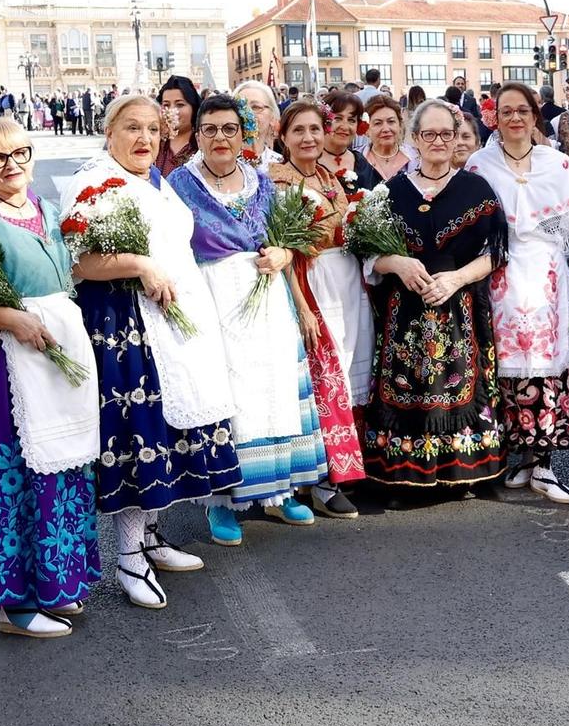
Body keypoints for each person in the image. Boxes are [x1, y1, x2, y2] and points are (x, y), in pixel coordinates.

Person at [61, 96, 236, 607]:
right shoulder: (93, 180)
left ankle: (152, 537)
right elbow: (81, 261)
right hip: (124, 321)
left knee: (172, 427)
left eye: (153, 131)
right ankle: (128, 555)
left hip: (170, 318)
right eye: (131, 128)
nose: (143, 139)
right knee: (140, 436)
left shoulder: (155, 179)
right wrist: (139, 265)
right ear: (108, 130)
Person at [0, 118, 103, 636]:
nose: (11, 166)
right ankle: (15, 603)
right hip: (1, 364)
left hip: (51, 358)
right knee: (12, 476)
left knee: (60, 465)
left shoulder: (47, 210)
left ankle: (56, 582)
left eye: (20, 154)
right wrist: (12, 318)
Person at [169, 95, 327, 543]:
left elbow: (289, 239)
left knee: (274, 390)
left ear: (244, 135)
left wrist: (284, 252)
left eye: (230, 129)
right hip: (212, 296)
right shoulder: (179, 184)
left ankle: (279, 490)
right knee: (230, 395)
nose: (221, 138)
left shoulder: (260, 181)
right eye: (211, 129)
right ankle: (224, 501)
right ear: (197, 135)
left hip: (268, 297)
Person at [358, 99, 510, 487]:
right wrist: (398, 263)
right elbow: (366, 254)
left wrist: (457, 279)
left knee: (458, 383)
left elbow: (496, 252)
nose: (439, 141)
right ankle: (402, 475)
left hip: (459, 309)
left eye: (448, 133)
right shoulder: (391, 192)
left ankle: (465, 474)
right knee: (405, 387)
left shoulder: (475, 189)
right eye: (430, 134)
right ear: (415, 139)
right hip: (405, 312)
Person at [467, 81, 569, 502]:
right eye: (506, 111)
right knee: (505, 367)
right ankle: (519, 455)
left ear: (534, 115)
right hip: (500, 276)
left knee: (543, 369)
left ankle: (544, 462)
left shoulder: (556, 164)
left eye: (522, 110)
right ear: (495, 118)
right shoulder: (479, 166)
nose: (515, 118)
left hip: (546, 276)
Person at [268, 100, 366, 518]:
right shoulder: (276, 181)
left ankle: (344, 469)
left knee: (347, 370)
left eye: (314, 129)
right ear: (284, 138)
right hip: (311, 280)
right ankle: (324, 480)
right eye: (298, 131)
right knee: (324, 377)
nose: (308, 138)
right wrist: (302, 306)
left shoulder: (329, 175)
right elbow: (283, 247)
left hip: (345, 282)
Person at [356, 95, 413, 187]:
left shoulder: (416, 158)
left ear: (399, 125)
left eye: (391, 121)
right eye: (378, 123)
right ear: (367, 129)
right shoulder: (356, 159)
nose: (386, 129)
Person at [154, 74, 201, 174]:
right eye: (166, 105)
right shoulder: (154, 142)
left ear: (193, 108)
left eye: (180, 105)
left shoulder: (203, 143)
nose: (172, 110)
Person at [235, 79, 285, 161]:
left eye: (255, 107)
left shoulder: (280, 163)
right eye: (241, 107)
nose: (247, 113)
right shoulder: (221, 163)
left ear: (272, 117)